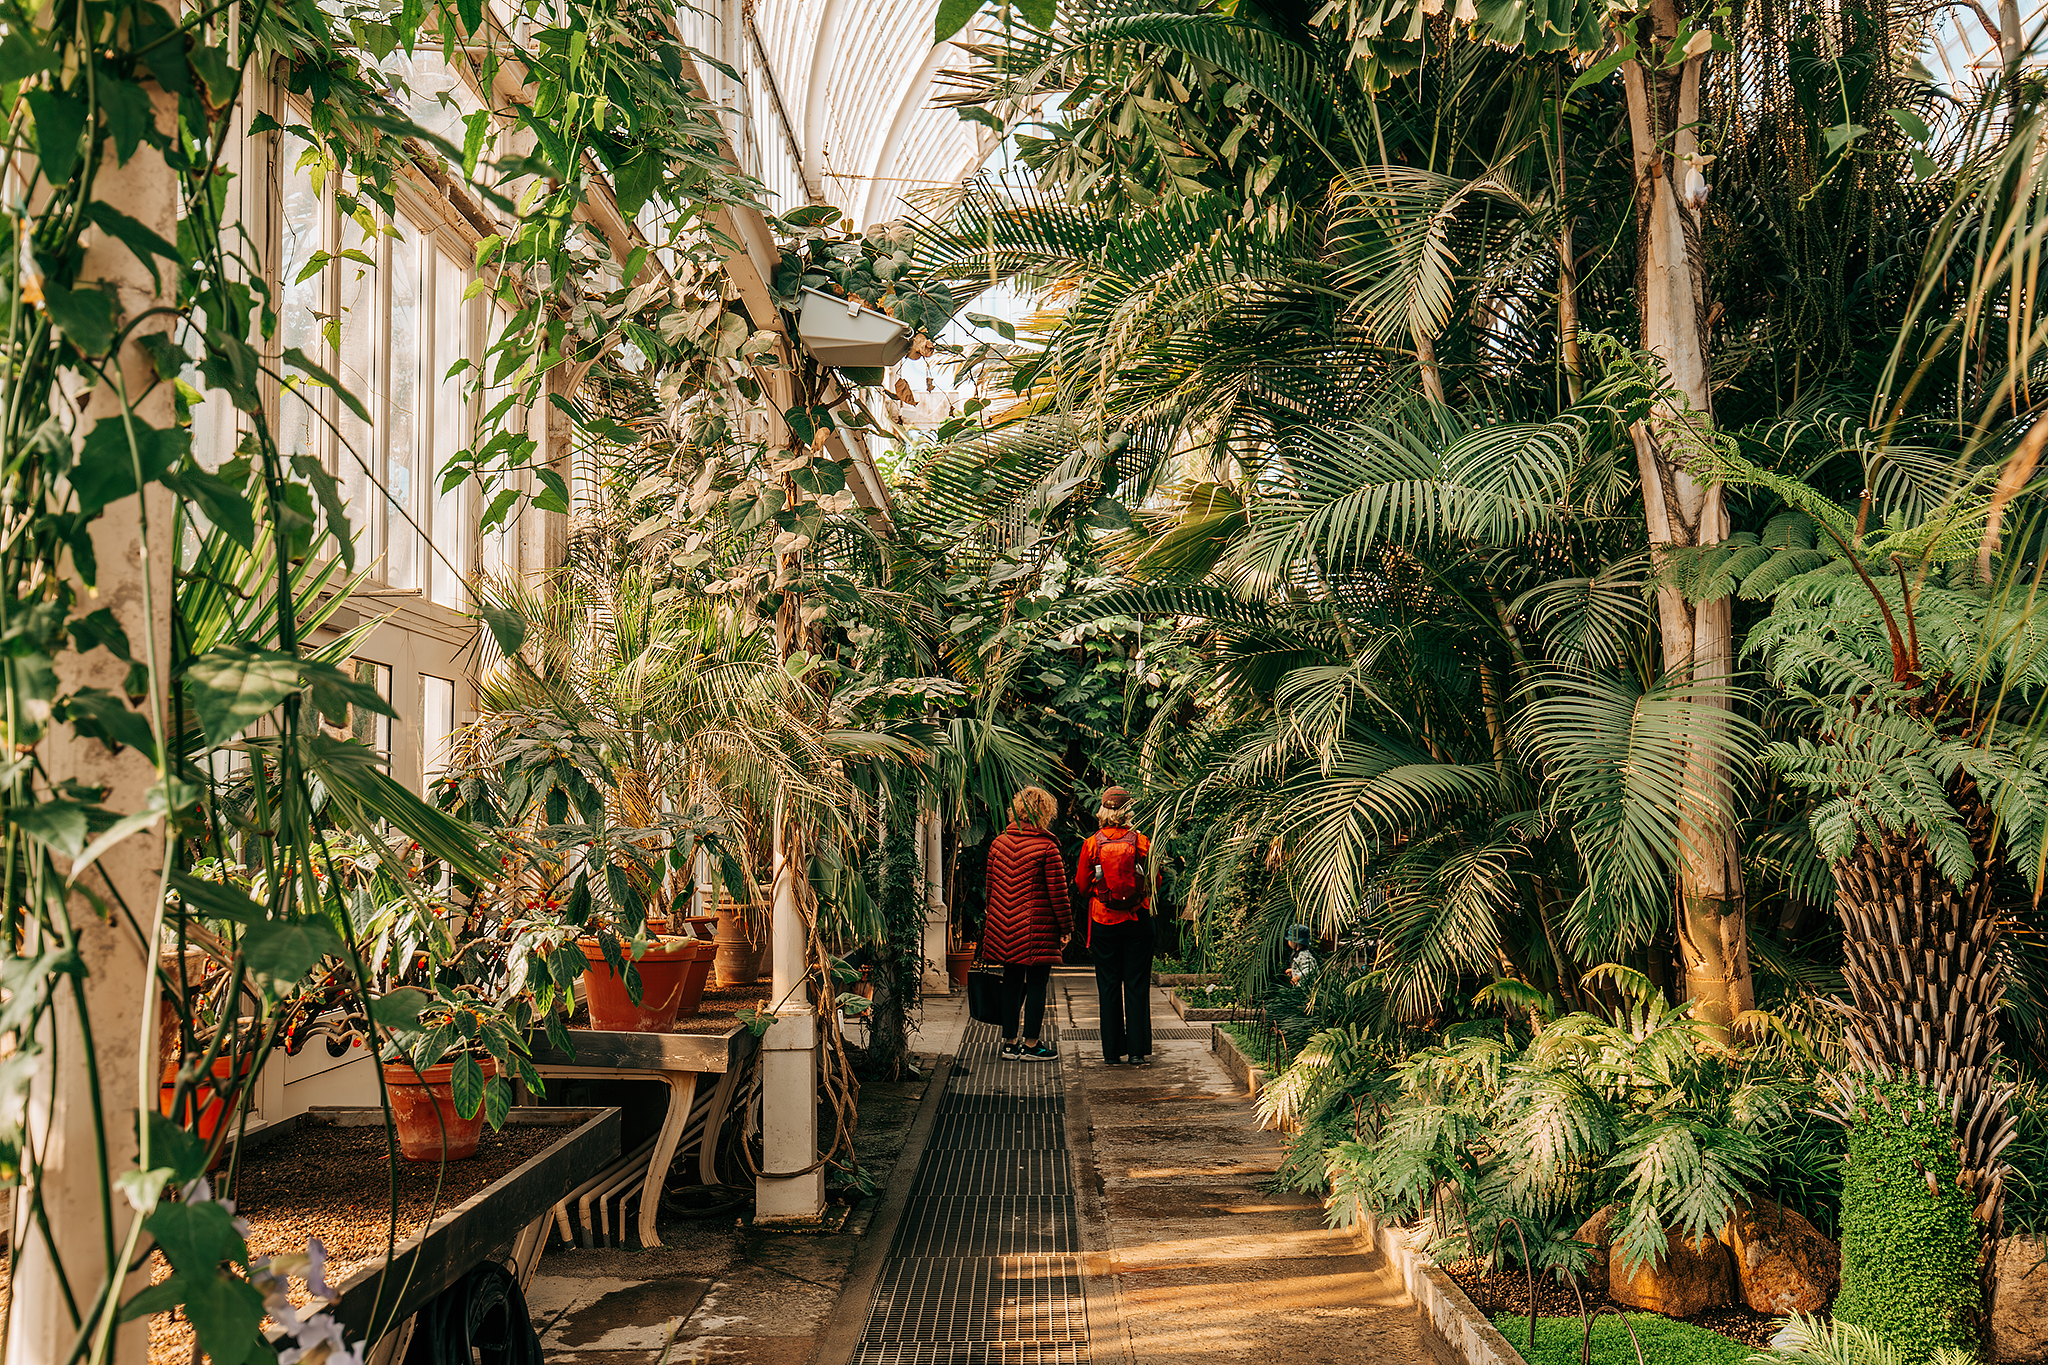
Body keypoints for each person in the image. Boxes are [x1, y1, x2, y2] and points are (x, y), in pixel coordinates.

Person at [981, 786, 1072, 1062]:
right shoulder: (1047, 846)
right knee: (1036, 985)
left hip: (1004, 926)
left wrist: (996, 919)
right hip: (1037, 929)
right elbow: (1058, 892)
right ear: (1045, 812)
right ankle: (1031, 1045)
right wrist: (1066, 927)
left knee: (1011, 982)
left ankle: (1009, 1044)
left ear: (1017, 809)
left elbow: (990, 889)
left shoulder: (999, 843)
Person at [1075, 787, 1153, 1065]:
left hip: (1102, 920)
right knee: (1136, 985)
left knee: (1108, 986)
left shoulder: (1091, 844)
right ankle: (1136, 1051)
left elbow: (1083, 888)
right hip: (1136, 920)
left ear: (1103, 812)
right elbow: (1152, 883)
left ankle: (1111, 1052)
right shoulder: (1142, 842)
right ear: (1128, 812)